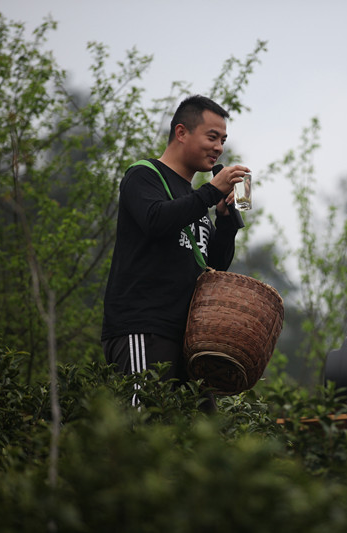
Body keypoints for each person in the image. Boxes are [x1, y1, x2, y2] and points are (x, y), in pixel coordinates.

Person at [101, 95, 249, 406]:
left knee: (199, 432)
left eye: (223, 140)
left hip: (189, 340)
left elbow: (213, 269)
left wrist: (225, 222)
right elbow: (155, 220)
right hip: (144, 327)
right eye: (212, 137)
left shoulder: (195, 199)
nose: (219, 148)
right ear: (181, 132)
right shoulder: (144, 174)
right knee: (142, 425)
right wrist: (211, 192)